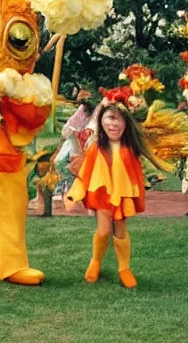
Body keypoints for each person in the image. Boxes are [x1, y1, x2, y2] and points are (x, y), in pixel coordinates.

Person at [65, 98, 172, 288]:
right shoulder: (95, 148)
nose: (113, 124)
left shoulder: (129, 149)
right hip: (101, 194)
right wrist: (75, 193)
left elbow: (136, 171)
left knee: (121, 230)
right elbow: (86, 172)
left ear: (126, 123)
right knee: (104, 230)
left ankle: (124, 268)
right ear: (101, 121)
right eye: (109, 118)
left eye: (118, 119)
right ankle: (96, 260)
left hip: (122, 195)